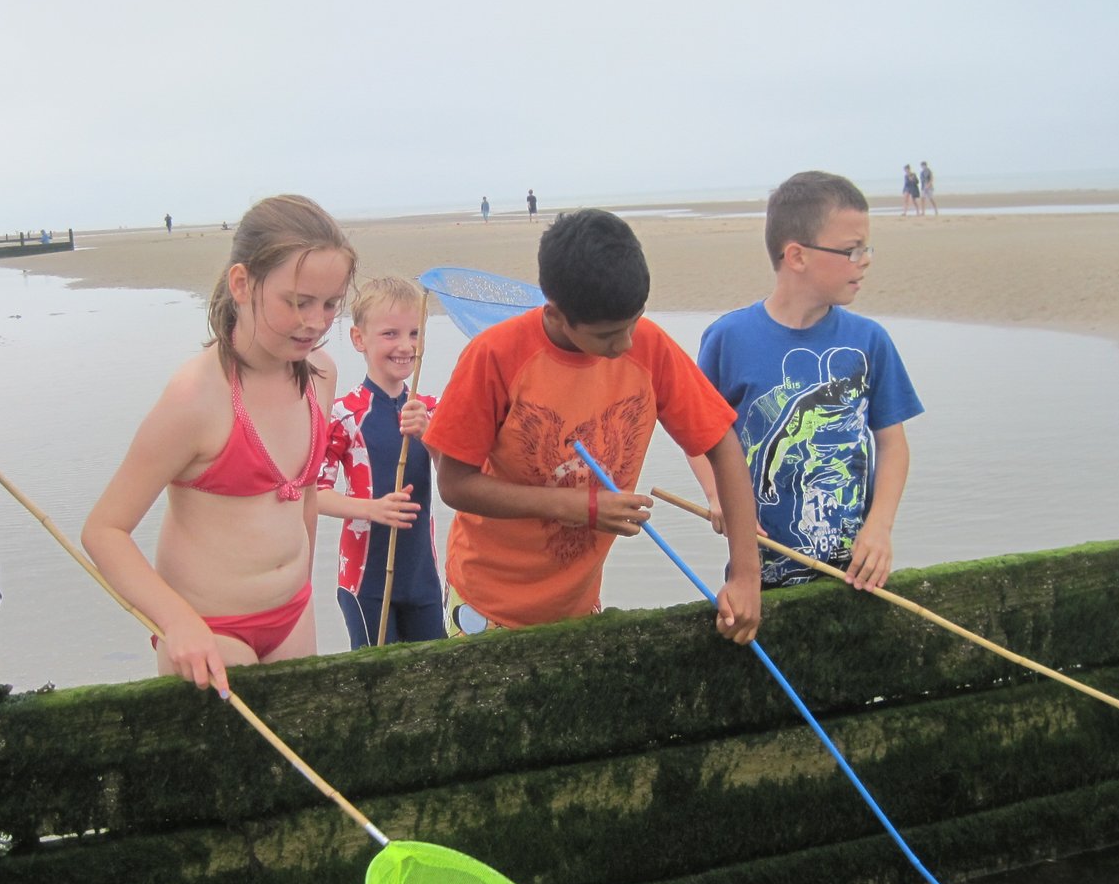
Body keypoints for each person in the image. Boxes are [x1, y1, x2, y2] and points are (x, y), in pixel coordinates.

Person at [423, 208, 762, 643]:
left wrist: (745, 574)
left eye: (633, 322)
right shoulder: (495, 356)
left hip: (579, 605)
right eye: (606, 336)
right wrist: (580, 507)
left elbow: (722, 444)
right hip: (485, 605)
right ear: (555, 314)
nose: (625, 343)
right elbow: (454, 485)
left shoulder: (650, 348)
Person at [83, 195, 353, 695]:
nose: (317, 322)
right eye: (298, 302)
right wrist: (176, 621)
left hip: (294, 614)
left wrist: (303, 586)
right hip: (210, 630)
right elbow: (104, 530)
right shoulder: (195, 399)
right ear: (242, 284)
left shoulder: (321, 374)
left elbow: (305, 496)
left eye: (331, 304)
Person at [691, 170, 923, 593]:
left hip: (856, 576)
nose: (865, 260)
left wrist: (880, 527)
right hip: (759, 578)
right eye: (852, 250)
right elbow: (697, 437)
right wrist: (716, 494)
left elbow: (893, 444)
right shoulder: (728, 339)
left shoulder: (870, 341)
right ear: (796, 256)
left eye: (866, 248)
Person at [317, 276, 443, 648]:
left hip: (423, 577)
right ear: (359, 339)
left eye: (415, 334)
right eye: (390, 334)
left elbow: (457, 482)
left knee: (433, 672)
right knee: (376, 674)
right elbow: (313, 494)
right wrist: (371, 509)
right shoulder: (343, 415)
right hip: (365, 581)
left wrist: (430, 438)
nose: (405, 346)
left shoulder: (431, 410)